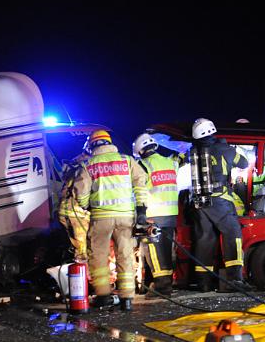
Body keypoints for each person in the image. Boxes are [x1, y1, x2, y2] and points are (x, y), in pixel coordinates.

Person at [74, 130, 146, 311]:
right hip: (126, 216)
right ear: (109, 142)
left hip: (100, 218)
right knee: (125, 255)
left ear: (92, 145)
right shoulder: (127, 160)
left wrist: (86, 206)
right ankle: (127, 299)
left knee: (98, 257)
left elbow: (81, 192)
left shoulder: (89, 165)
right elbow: (141, 181)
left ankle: (104, 295)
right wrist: (142, 209)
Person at [189, 118, 251, 292]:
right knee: (233, 233)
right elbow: (244, 163)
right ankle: (235, 279)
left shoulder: (194, 151)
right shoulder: (225, 149)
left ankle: (203, 283)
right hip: (220, 201)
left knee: (204, 240)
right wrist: (230, 147)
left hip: (199, 202)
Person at [133, 132, 180, 297]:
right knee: (167, 250)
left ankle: (162, 287)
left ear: (140, 151)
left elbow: (139, 191)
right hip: (171, 214)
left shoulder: (143, 165)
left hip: (153, 214)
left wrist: (139, 213)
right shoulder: (170, 162)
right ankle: (167, 283)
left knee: (154, 251)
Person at [57, 149, 91, 262]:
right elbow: (83, 190)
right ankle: (82, 275)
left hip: (64, 211)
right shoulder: (86, 167)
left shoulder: (74, 165)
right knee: (82, 250)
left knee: (75, 244)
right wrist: (86, 206)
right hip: (77, 212)